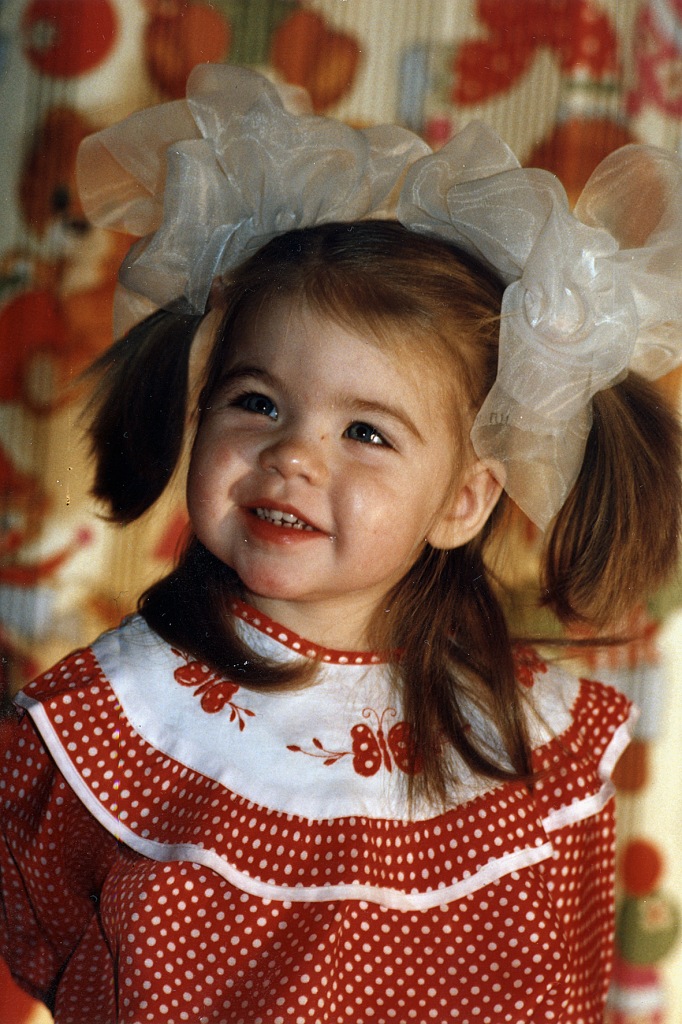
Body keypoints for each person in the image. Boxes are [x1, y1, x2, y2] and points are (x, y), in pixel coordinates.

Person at [2, 65, 682, 1024]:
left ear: (463, 502)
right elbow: (46, 942)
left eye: (365, 431)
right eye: (257, 402)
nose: (292, 455)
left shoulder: (533, 755)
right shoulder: (115, 725)